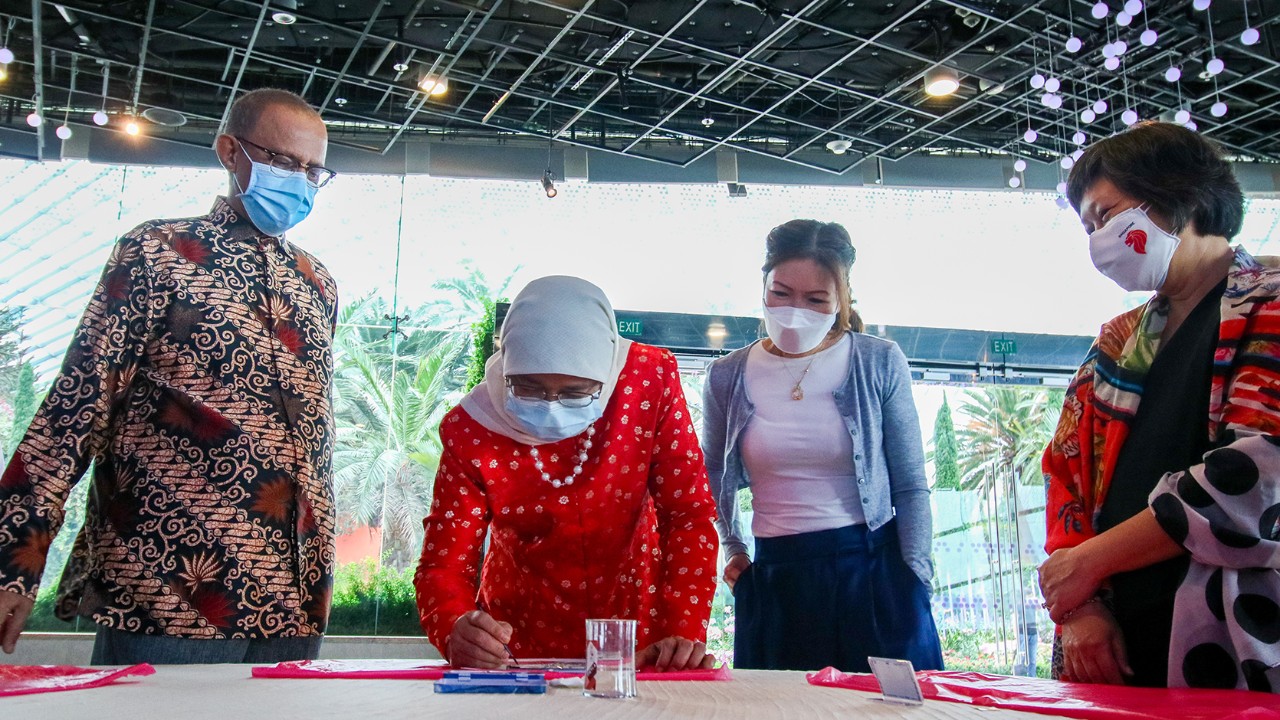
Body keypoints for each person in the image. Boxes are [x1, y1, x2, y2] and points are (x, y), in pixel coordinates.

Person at [0, 88, 340, 664]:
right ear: (230, 151)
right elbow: (79, 402)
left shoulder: (317, 283)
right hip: (171, 583)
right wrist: (13, 560)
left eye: (314, 169)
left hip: (294, 592)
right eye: (283, 160)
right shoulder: (155, 252)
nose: (300, 180)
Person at [1039, 122, 1279, 693]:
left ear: (1179, 195)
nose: (1099, 239)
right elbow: (1066, 468)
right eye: (1089, 227)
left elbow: (1259, 474)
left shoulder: (1269, 306)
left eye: (1108, 214)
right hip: (1115, 633)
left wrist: (1093, 562)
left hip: (1238, 635)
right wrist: (1083, 606)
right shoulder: (1119, 339)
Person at [414, 275, 718, 671]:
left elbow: (689, 514)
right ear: (505, 366)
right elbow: (445, 563)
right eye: (528, 388)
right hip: (517, 646)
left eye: (575, 392)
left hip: (639, 642)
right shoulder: (472, 428)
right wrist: (456, 627)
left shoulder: (646, 382)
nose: (551, 406)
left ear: (607, 373)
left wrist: (681, 633)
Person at [701, 219, 943, 672]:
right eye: (781, 293)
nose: (795, 310)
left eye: (816, 300)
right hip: (775, 578)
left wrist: (915, 579)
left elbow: (911, 484)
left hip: (871, 570)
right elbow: (711, 478)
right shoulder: (726, 376)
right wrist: (734, 550)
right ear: (764, 288)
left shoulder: (877, 361)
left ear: (841, 301)